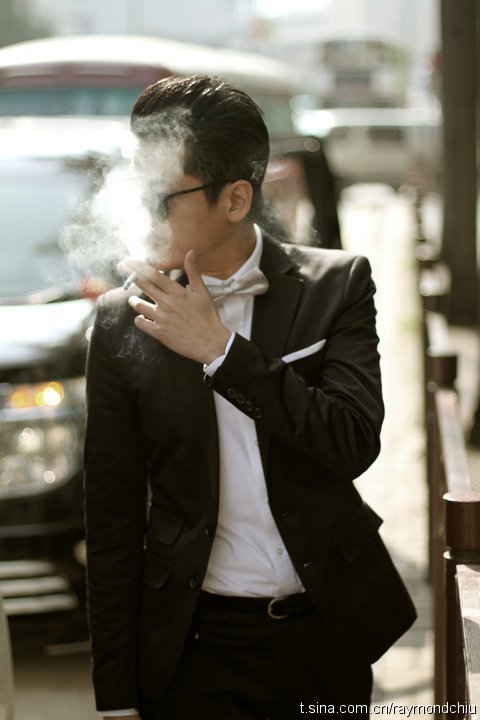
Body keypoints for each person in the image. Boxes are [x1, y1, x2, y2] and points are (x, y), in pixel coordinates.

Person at [84, 74, 416, 720]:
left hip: (323, 633)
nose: (139, 212)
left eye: (158, 197)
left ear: (236, 198)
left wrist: (222, 351)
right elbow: (113, 518)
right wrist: (115, 698)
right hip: (193, 644)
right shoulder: (124, 320)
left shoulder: (337, 285)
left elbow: (351, 441)